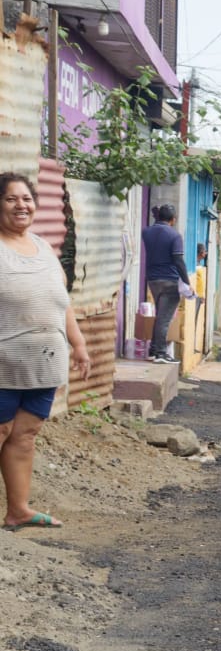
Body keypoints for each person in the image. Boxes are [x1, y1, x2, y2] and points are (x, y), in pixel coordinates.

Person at [0, 173, 90, 531]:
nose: (21, 205)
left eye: (27, 198)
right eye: (11, 199)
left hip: (44, 365)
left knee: (25, 433)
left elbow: (61, 303)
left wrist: (80, 344)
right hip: (4, 363)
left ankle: (18, 509)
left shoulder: (44, 248)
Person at [143, 202, 188, 364]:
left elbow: (155, 230)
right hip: (169, 280)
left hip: (153, 280)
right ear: (173, 219)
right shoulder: (174, 236)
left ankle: (154, 351)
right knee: (164, 318)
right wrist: (187, 283)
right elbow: (178, 260)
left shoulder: (147, 232)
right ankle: (161, 353)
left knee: (160, 316)